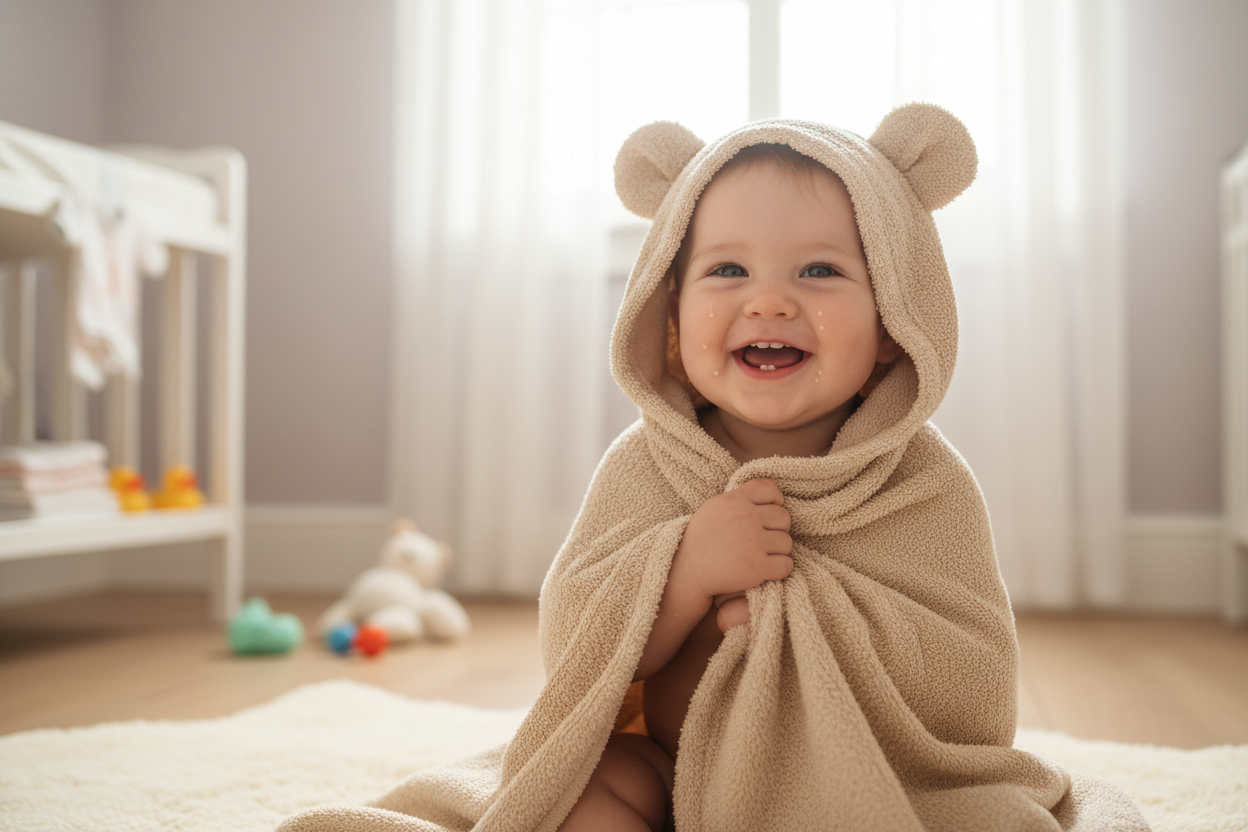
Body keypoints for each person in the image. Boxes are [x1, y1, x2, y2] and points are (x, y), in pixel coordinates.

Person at [279, 105, 1148, 832]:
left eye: (819, 270)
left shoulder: (923, 483)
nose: (768, 300)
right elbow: (581, 648)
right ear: (668, 312)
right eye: (727, 269)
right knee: (582, 790)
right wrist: (685, 571)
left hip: (862, 780)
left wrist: (799, 611)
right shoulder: (646, 465)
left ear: (893, 322)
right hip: (673, 767)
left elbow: (968, 677)